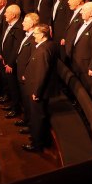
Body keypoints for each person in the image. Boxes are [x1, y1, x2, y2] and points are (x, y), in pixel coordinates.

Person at [21, 23, 56, 152]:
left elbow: (42, 73)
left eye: (35, 34)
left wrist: (37, 91)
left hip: (38, 91)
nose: (33, 36)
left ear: (42, 35)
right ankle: (42, 140)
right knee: (40, 116)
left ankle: (37, 144)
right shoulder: (47, 45)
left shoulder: (43, 50)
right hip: (39, 88)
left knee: (37, 117)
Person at [68, 2, 92, 101]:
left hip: (87, 65)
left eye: (84, 11)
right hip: (78, 61)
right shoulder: (85, 22)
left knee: (90, 91)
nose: (81, 13)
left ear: (91, 13)